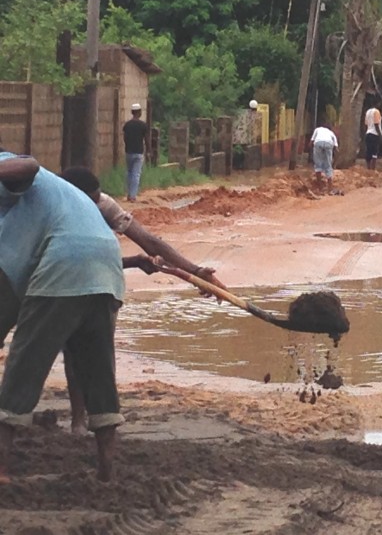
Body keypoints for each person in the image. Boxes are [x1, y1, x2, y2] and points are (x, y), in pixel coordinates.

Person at [59, 166, 225, 433]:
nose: (94, 206)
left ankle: (100, 418)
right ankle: (78, 418)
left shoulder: (103, 205)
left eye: (97, 199)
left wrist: (196, 272)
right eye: (89, 201)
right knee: (72, 350)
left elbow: (150, 242)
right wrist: (134, 262)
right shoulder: (53, 207)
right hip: (63, 281)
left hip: (103, 282)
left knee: (101, 352)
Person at [0, 151, 125, 483]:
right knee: (99, 371)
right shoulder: (59, 194)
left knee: (24, 364)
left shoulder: (12, 168)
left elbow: (29, 165)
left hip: (63, 264)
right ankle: (106, 467)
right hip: (105, 265)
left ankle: (0, 468)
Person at [123, 103, 148, 202]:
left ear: (132, 112)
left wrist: (127, 146)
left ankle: (129, 194)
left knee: (129, 173)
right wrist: (149, 150)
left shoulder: (127, 125)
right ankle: (133, 196)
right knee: (136, 174)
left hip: (129, 152)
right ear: (139, 112)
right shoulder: (142, 125)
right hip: (138, 152)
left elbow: (125, 138)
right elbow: (146, 139)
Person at [309, 122, 338, 193]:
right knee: (328, 166)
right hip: (329, 143)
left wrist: (311, 152)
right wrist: (333, 163)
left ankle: (320, 188)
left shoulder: (317, 129)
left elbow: (311, 142)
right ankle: (330, 188)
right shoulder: (332, 133)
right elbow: (336, 149)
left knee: (318, 165)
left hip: (318, 143)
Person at [364, 98, 382, 171]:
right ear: (377, 104)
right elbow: (376, 124)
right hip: (374, 134)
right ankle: (373, 169)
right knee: (374, 152)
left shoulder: (367, 112)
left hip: (368, 133)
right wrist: (380, 135)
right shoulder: (376, 112)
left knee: (369, 151)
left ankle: (368, 168)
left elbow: (366, 124)